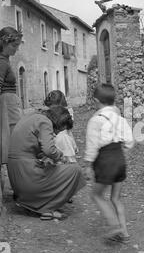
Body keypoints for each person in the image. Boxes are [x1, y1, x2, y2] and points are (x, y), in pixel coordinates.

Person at [7, 105, 86, 220]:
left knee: (52, 167)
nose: (57, 133)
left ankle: (32, 201)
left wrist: (46, 159)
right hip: (26, 176)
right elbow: (49, 150)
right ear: (58, 122)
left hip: (17, 177)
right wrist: (61, 157)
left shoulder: (32, 116)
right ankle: (47, 208)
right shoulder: (45, 122)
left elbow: (30, 148)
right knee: (75, 170)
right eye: (60, 129)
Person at [84, 84, 134, 242]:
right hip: (120, 159)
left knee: (96, 195)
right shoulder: (121, 119)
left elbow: (92, 147)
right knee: (115, 198)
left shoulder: (95, 121)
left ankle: (114, 225)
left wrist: (87, 166)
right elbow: (130, 142)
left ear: (96, 101)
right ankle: (125, 233)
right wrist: (122, 152)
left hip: (105, 162)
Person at [0, 27, 23, 196]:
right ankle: (19, 187)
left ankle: (19, 186)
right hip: (7, 107)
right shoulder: (1, 62)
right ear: (5, 43)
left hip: (10, 106)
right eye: (14, 45)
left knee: (14, 147)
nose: (17, 49)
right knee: (14, 147)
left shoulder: (5, 60)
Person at [44, 90, 78, 163]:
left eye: (54, 107)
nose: (52, 110)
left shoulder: (67, 112)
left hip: (62, 136)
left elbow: (68, 129)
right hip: (55, 137)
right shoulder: (49, 113)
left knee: (68, 155)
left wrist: (73, 144)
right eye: (50, 107)